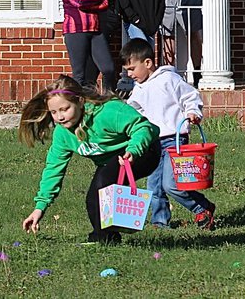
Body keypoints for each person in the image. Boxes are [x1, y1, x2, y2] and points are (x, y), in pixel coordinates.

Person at [19, 76, 159, 245]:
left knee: (103, 184)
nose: (60, 117)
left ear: (79, 101)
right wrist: (39, 208)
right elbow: (53, 169)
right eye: (54, 112)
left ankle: (102, 238)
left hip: (144, 150)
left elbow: (143, 127)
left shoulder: (108, 112)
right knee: (93, 198)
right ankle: (108, 240)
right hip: (112, 161)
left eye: (64, 109)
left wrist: (134, 150)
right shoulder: (63, 135)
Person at [121, 38, 216, 230]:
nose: (129, 74)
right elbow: (132, 112)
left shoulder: (169, 79)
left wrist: (192, 112)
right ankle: (160, 222)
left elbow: (190, 96)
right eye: (127, 70)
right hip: (152, 143)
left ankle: (202, 208)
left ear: (147, 63)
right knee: (153, 186)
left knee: (171, 185)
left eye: (132, 68)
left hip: (175, 140)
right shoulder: (138, 89)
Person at [60, 0, 117, 92]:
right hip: (76, 30)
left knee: (108, 68)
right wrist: (94, 1)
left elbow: (105, 2)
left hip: (95, 30)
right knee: (79, 74)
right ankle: (79, 107)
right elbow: (77, 1)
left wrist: (89, 3)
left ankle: (107, 99)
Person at [116, 0, 167, 95]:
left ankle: (148, 87)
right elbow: (123, 3)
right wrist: (136, 20)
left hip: (151, 25)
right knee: (141, 52)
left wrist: (155, 22)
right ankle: (135, 87)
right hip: (135, 24)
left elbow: (161, 3)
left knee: (147, 57)